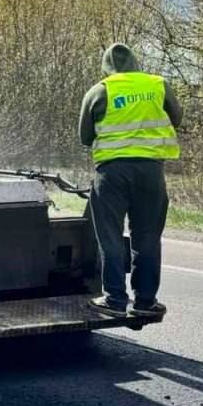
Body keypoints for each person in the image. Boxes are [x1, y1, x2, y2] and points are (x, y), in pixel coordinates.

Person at [79, 43, 183, 318]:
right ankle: (145, 301)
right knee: (147, 237)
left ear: (106, 67)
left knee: (110, 236)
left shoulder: (100, 90)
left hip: (112, 173)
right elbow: (177, 118)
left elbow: (85, 137)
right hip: (151, 172)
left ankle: (114, 298)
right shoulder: (158, 85)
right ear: (136, 62)